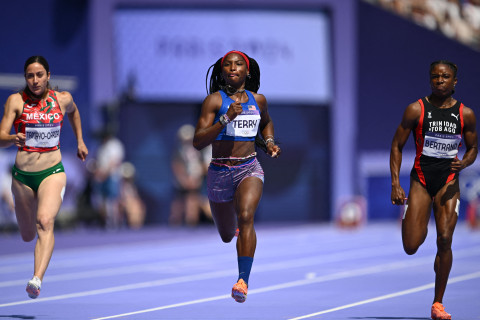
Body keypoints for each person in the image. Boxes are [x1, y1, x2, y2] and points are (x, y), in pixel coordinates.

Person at [390, 60, 477, 320]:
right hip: (421, 180)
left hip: (449, 181)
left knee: (445, 239)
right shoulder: (416, 110)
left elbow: (473, 148)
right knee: (411, 245)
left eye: (445, 76)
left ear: (455, 82)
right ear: (430, 79)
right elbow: (397, 145)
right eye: (435, 77)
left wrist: (464, 162)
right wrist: (395, 183)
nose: (439, 80)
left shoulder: (466, 114)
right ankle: (420, 219)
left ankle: (438, 304)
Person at [193, 50, 281, 303]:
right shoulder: (213, 101)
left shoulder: (259, 100)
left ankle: (243, 280)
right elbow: (198, 142)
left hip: (248, 168)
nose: (233, 68)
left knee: (246, 217)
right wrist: (225, 118)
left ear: (247, 70)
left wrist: (270, 143)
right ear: (222, 73)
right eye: (228, 65)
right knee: (225, 234)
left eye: (238, 64)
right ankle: (235, 231)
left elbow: (266, 122)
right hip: (219, 171)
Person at [0, 56, 88, 299]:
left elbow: (75, 112)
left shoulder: (62, 99)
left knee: (45, 222)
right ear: (25, 78)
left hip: (52, 172)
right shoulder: (16, 101)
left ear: (48, 76)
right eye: (30, 76)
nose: (35, 80)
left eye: (39, 75)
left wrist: (80, 140)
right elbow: (0, 136)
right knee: (27, 234)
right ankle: (33, 257)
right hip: (22, 178)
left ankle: (36, 279)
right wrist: (11, 139)